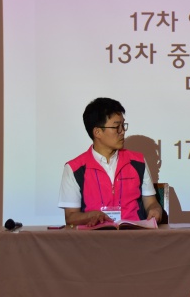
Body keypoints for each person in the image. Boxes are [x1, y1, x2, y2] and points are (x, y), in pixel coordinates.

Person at [58, 97, 163, 227]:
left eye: (123, 125)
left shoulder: (138, 162)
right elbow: (71, 217)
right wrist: (90, 216)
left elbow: (151, 202)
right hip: (93, 236)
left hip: (134, 234)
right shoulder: (74, 168)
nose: (122, 131)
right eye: (116, 127)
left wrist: (155, 210)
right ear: (97, 132)